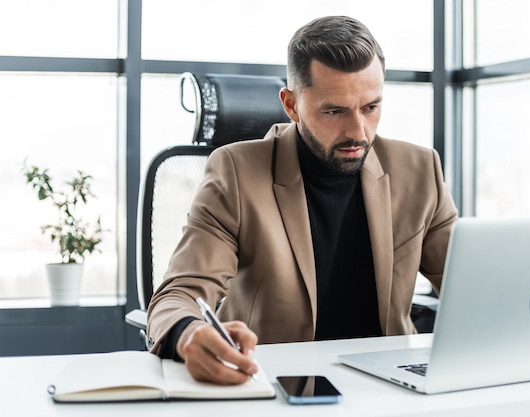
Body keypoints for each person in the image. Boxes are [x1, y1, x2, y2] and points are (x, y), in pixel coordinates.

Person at [147, 15, 458, 385]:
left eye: (370, 108)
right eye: (334, 111)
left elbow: (474, 286)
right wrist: (188, 334)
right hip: (277, 387)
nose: (357, 131)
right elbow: (180, 293)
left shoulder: (419, 170)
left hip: (388, 387)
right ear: (291, 105)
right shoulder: (237, 172)